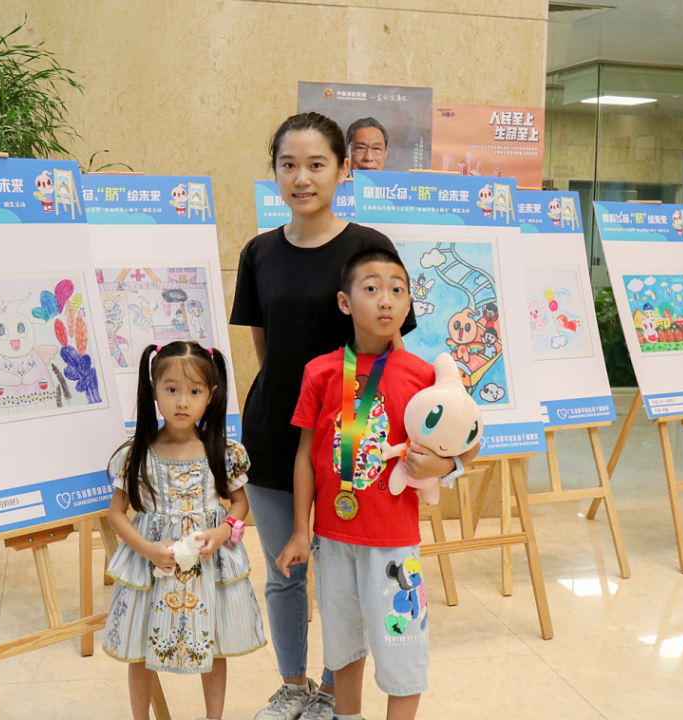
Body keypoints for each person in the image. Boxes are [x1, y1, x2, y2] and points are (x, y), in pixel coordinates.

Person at [230, 112, 423, 720]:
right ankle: (294, 684)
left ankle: (337, 693)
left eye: (317, 164)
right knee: (285, 570)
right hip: (275, 434)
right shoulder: (259, 252)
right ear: (275, 172)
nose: (302, 178)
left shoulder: (368, 248)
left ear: (342, 170)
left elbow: (393, 349)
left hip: (353, 446)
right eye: (288, 165)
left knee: (352, 578)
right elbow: (267, 348)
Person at [277, 249, 479, 720]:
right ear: (345, 302)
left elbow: (468, 443)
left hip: (393, 544)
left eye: (397, 289)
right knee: (342, 644)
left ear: (408, 304)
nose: (385, 300)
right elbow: (305, 455)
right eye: (371, 288)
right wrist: (302, 530)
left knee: (402, 645)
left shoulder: (424, 378)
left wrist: (443, 466)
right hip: (333, 537)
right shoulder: (320, 371)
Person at [101, 341, 265, 720]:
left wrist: (222, 533)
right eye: (171, 389)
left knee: (215, 643)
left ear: (211, 395)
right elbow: (116, 514)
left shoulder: (223, 452)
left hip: (209, 563)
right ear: (153, 390)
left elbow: (239, 505)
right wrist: (147, 549)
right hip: (152, 563)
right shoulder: (135, 454)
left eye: (194, 391)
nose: (181, 401)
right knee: (140, 647)